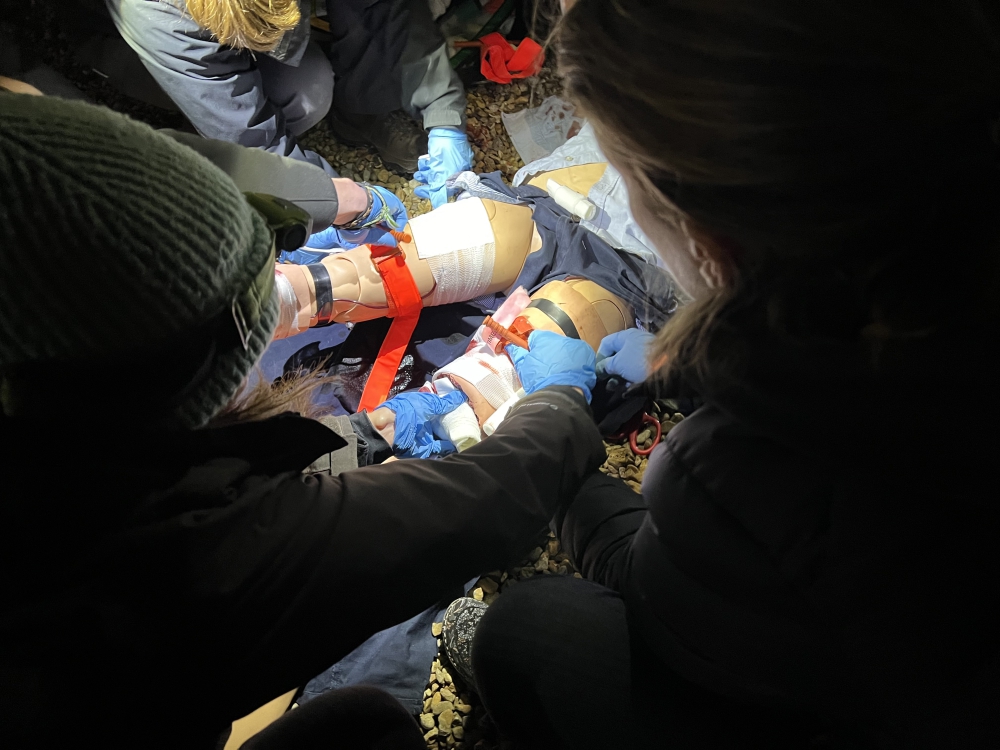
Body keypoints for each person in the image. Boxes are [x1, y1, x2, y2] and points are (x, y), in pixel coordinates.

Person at [440, 1, 1000, 748]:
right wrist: (700, 365)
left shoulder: (742, 477)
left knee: (531, 628)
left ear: (705, 235)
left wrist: (556, 434)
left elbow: (646, 588)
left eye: (624, 179)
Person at [0, 92, 603, 748]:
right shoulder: (184, 556)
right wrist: (556, 404)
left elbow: (118, 177)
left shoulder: (42, 371)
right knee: (364, 723)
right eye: (252, 300)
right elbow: (474, 505)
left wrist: (331, 201)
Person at [77, 0, 472, 189]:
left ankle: (362, 111)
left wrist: (442, 111)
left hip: (224, 25)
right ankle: (204, 150)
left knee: (310, 84)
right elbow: (251, 138)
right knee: (301, 97)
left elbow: (384, 8)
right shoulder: (155, 11)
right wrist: (331, 201)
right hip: (143, 46)